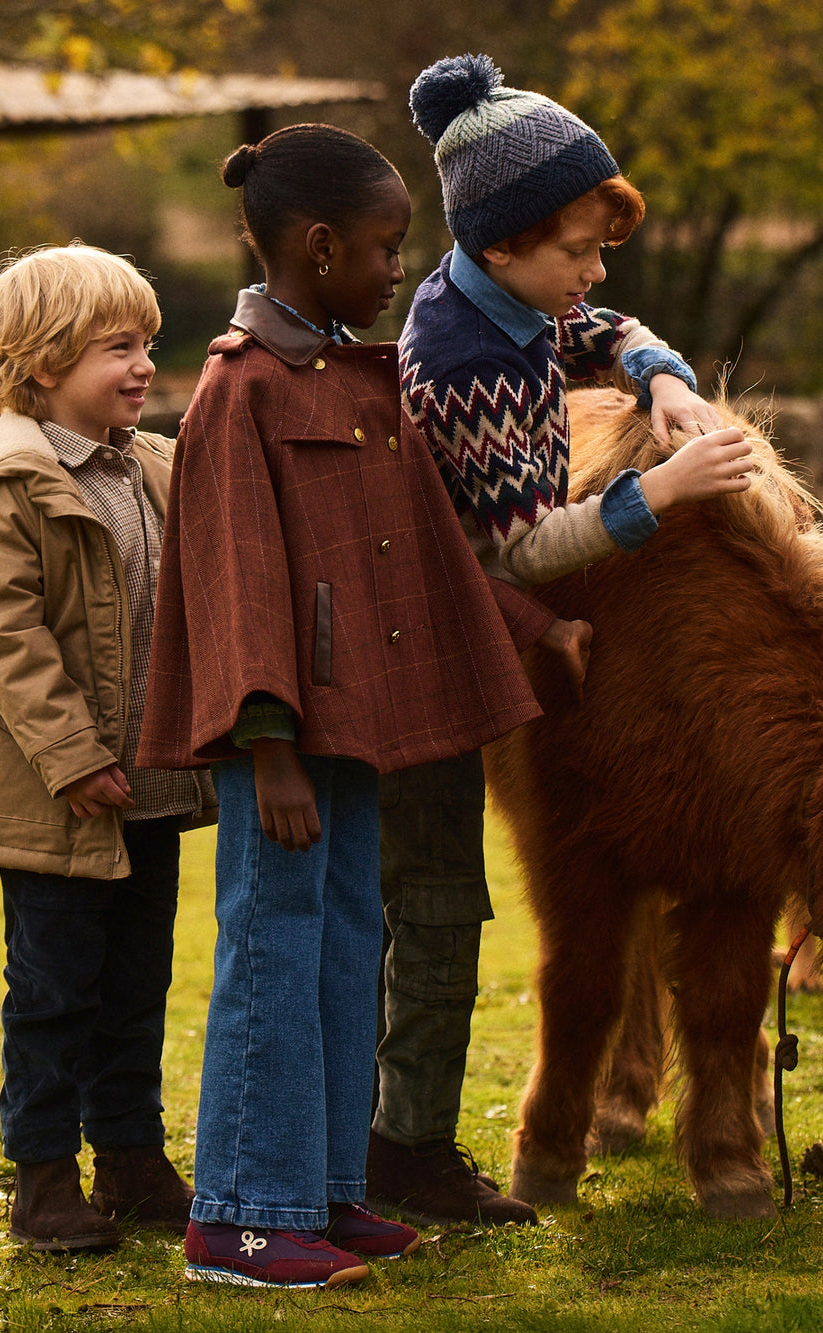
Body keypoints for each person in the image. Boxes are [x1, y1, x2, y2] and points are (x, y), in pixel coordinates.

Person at [137, 123, 578, 1289]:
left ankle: (324, 1191)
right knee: (272, 950)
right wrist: (267, 745)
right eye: (387, 248)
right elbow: (235, 580)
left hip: (355, 730)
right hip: (279, 742)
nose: (401, 270)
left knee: (342, 942)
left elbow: (427, 550)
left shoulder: (346, 378)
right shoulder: (241, 390)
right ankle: (237, 1217)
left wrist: (540, 629)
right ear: (321, 246)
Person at [367, 53, 755, 1226]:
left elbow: (601, 324)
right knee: (444, 909)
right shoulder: (460, 364)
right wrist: (670, 486)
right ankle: (420, 1144)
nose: (590, 274)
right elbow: (527, 550)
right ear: (500, 247)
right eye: (577, 250)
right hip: (454, 634)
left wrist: (664, 379)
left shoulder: (515, 294)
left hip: (505, 587)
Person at [0, 243, 215, 1252]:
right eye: (117, 347)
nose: (143, 365)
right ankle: (43, 1176)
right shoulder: (9, 484)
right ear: (42, 363)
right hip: (58, 793)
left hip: (154, 783)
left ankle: (131, 1157)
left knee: (136, 984)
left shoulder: (149, 466)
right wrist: (73, 755)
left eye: (149, 345)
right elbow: (4, 637)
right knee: (53, 988)